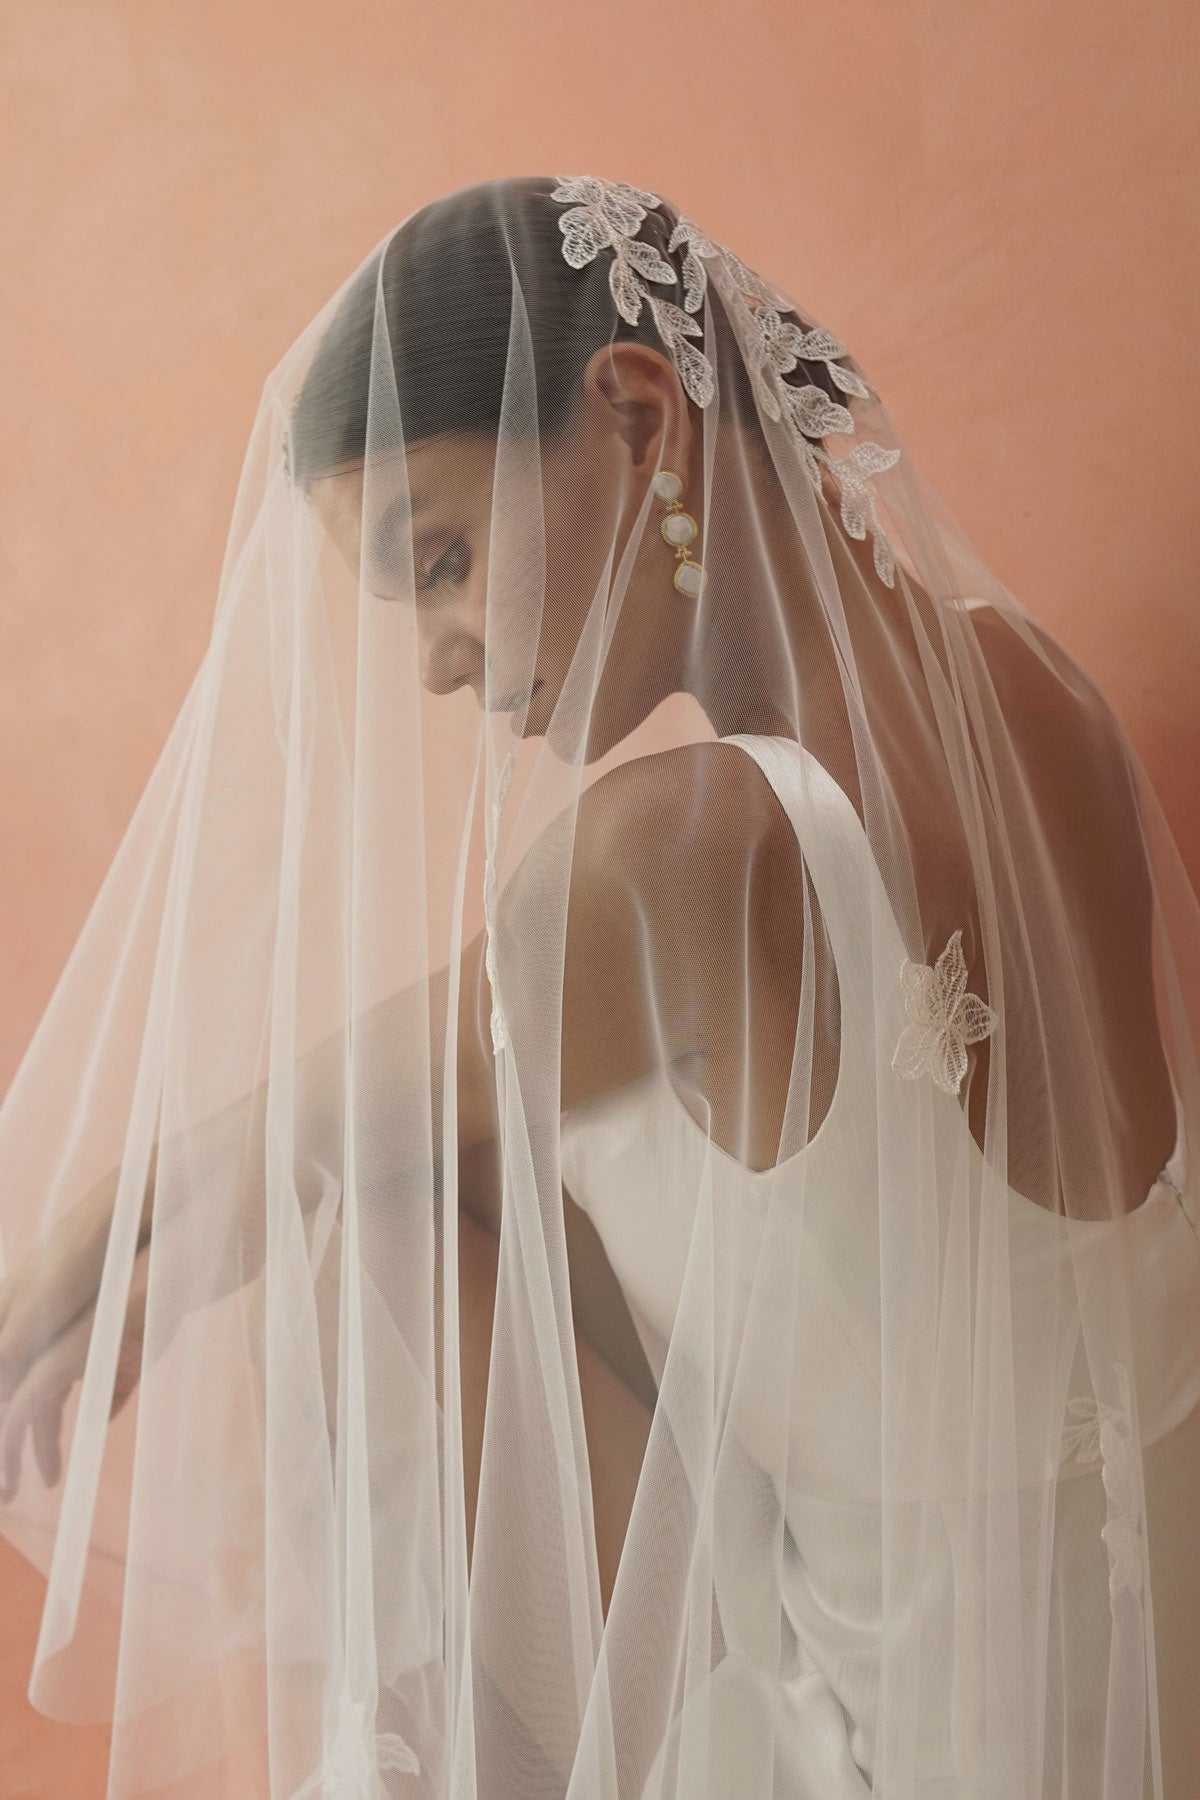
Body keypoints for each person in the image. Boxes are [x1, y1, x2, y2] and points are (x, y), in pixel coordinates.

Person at [1, 172, 1198, 1799]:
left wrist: (82, 1254)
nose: (433, 654)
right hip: (1149, 1702)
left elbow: (325, 1120)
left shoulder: (669, 854)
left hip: (911, 1760)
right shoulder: (1036, 696)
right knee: (474, 1161)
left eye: (439, 557)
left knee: (385, 1244)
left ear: (640, 414)